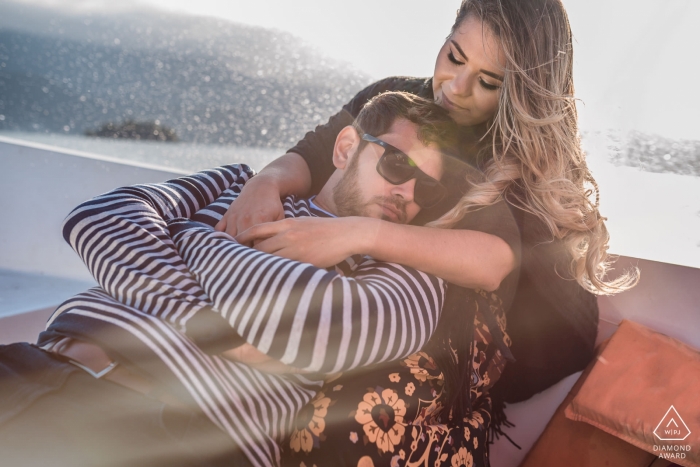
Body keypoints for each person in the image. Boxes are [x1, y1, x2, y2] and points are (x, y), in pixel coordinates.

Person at [217, 1, 638, 461]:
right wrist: (264, 184)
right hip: (422, 294)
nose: (456, 88)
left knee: (351, 408)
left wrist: (357, 233)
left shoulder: (520, 155)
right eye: (454, 57)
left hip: (528, 335)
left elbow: (489, 264)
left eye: (488, 81)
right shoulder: (401, 99)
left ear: (519, 89)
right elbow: (318, 152)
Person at [0, 92, 470, 467]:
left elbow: (319, 333)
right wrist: (208, 322)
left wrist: (190, 239)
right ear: (347, 148)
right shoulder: (238, 183)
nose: (406, 193)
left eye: (426, 188)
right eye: (396, 164)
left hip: (172, 436)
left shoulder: (409, 278)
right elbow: (100, 218)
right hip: (38, 366)